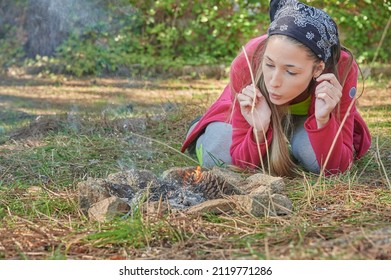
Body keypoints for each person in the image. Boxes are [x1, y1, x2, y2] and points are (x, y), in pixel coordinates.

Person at [181, 0, 371, 177]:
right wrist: (259, 130)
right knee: (219, 158)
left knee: (316, 161)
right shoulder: (247, 61)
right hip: (252, 117)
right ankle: (200, 129)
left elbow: (338, 167)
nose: (274, 82)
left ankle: (290, 141)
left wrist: (323, 120)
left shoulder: (341, 69)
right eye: (270, 65)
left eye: (291, 72)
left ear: (318, 68)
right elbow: (243, 164)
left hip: (306, 118)